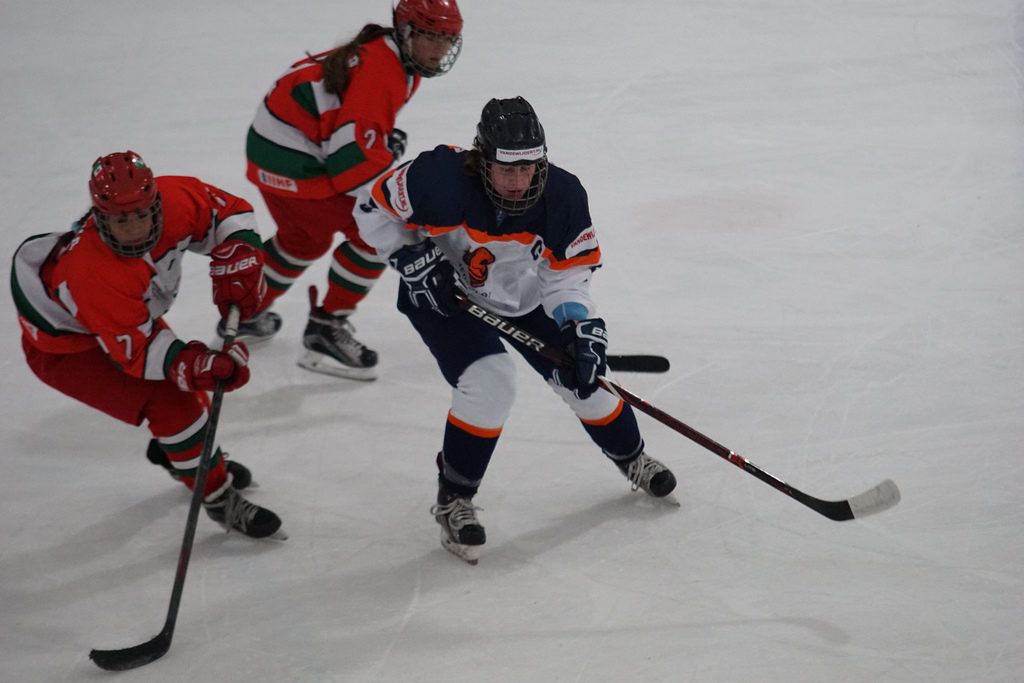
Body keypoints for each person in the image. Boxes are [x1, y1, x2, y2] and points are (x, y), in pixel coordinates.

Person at [353, 96, 677, 563]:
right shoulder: (437, 178)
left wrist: (578, 323)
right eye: (507, 168)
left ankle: (632, 457)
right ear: (481, 159)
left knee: (586, 379)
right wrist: (408, 257)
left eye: (529, 167)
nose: (518, 180)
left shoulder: (561, 195)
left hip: (524, 299)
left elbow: (566, 274)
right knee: (490, 385)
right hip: (445, 296)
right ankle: (455, 499)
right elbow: (370, 208)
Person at [11, 151, 286, 540]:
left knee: (190, 403)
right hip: (68, 350)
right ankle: (217, 496)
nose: (135, 228)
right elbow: (141, 354)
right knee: (175, 403)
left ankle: (182, 458)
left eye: (141, 214)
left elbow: (227, 213)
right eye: (121, 219)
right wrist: (200, 365)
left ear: (155, 202)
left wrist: (239, 252)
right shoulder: (93, 271)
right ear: (100, 216)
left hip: (120, 319)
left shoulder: (175, 199)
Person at [236, 0, 464, 381]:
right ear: (406, 31)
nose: (439, 49)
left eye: (447, 39)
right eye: (430, 37)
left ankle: (244, 312)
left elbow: (349, 129)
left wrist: (377, 146)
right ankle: (326, 328)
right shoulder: (384, 70)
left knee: (301, 240)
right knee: (378, 235)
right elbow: (350, 168)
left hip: (275, 151)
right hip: (294, 162)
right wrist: (402, 207)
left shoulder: (392, 57)